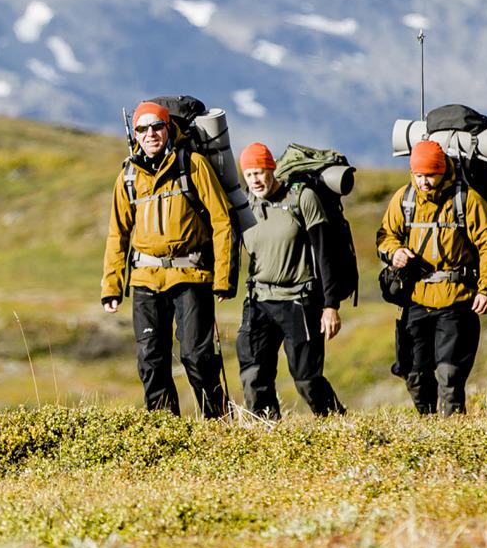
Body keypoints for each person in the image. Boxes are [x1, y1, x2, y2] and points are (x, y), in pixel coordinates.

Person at [100, 99, 236, 415]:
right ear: (135, 135)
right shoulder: (128, 177)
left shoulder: (194, 165)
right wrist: (111, 287)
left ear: (168, 128)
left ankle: (216, 422)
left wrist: (223, 278)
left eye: (157, 126)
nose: (150, 134)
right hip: (145, 279)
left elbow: (221, 220)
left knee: (196, 356)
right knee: (150, 359)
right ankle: (165, 431)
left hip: (191, 276)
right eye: (142, 129)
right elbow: (117, 234)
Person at [373, 138, 487, 415]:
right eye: (419, 176)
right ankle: (429, 426)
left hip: (457, 300)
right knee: (414, 375)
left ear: (442, 170)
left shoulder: (467, 201)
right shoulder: (404, 199)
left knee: (449, 375)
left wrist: (486, 289)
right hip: (416, 298)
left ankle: (453, 433)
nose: (424, 182)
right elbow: (385, 236)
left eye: (430, 175)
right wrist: (394, 252)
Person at [235, 141, 345, 418]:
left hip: (299, 300)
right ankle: (268, 429)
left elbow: (324, 252)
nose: (255, 180)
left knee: (306, 378)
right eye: (249, 174)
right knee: (253, 373)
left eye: (260, 172)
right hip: (259, 300)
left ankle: (333, 422)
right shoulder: (244, 205)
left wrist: (330, 306)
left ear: (272, 169)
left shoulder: (301, 198)